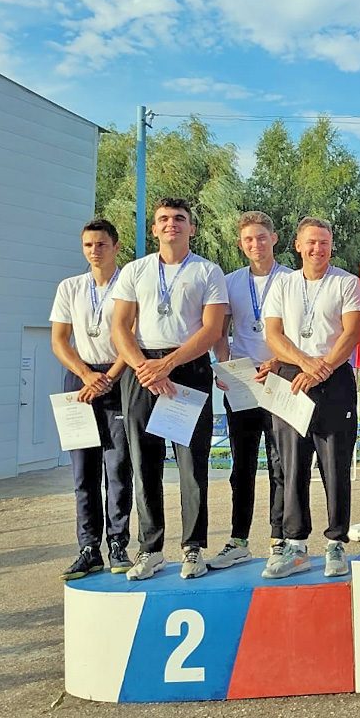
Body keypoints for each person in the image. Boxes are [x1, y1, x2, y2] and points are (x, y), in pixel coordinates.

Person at [111, 198, 228, 580]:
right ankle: (150, 549)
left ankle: (193, 548)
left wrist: (169, 365)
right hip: (142, 370)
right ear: (154, 228)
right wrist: (146, 368)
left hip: (188, 368)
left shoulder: (208, 271)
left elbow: (212, 329)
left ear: (191, 228)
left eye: (179, 218)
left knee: (192, 465)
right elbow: (120, 327)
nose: (171, 224)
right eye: (163, 219)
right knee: (144, 464)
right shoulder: (135, 270)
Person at [262, 217, 360, 578]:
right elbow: (273, 335)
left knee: (335, 465)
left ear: (331, 246)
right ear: (297, 245)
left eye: (323, 242)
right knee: (292, 465)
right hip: (292, 378)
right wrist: (305, 363)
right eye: (310, 242)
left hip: (334, 378)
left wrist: (321, 368)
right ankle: (295, 544)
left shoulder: (346, 282)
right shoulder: (282, 284)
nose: (317, 249)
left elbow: (351, 333)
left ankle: (336, 542)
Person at [50, 218, 132, 579]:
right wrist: (86, 375)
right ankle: (88, 548)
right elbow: (59, 341)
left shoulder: (128, 285)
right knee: (83, 472)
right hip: (80, 381)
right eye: (88, 245)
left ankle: (118, 543)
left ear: (116, 246)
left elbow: (133, 336)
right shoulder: (70, 287)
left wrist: (109, 377)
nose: (94, 251)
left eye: (101, 244)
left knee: (118, 469)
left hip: (118, 376)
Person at [209, 211, 290, 569]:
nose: (255, 244)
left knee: (280, 463)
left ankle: (279, 538)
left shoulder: (290, 279)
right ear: (240, 244)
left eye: (261, 237)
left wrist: (278, 361)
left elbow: (293, 330)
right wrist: (224, 364)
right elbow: (220, 330)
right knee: (241, 465)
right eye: (248, 239)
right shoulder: (230, 282)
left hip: (278, 376)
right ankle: (238, 539)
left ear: (274, 238)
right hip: (242, 381)